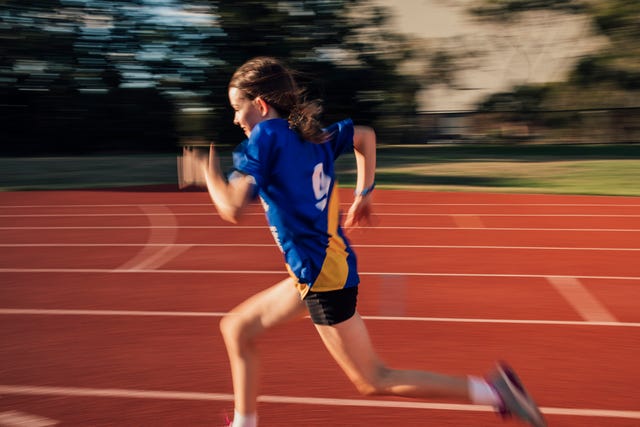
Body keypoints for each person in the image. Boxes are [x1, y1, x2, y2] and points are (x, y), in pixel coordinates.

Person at [180, 56, 546, 427]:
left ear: (259, 105)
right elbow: (365, 136)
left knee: (374, 379)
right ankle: (245, 423)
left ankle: (495, 392)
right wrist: (365, 192)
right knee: (237, 328)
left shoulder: (266, 136)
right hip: (316, 272)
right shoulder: (308, 133)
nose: (235, 119)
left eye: (236, 109)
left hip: (323, 277)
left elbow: (231, 208)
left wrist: (206, 172)